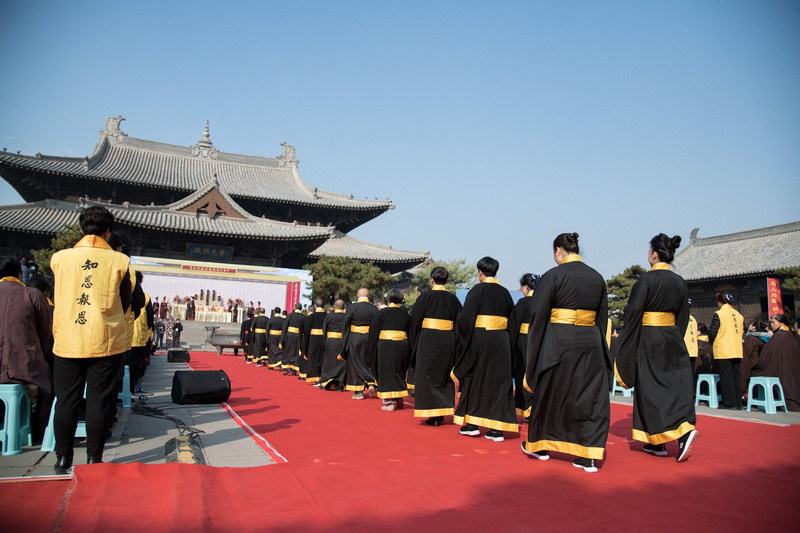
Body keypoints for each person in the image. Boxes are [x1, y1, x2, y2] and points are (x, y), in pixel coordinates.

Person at [50, 205, 132, 473]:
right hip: (104, 340)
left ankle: (63, 458)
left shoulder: (60, 258)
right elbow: (126, 301)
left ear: (82, 229)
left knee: (66, 400)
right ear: (108, 232)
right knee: (99, 400)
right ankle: (94, 459)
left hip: (68, 339)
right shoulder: (120, 261)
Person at [522, 233, 610, 473]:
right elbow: (603, 317)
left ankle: (539, 445)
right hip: (591, 341)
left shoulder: (553, 276)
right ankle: (588, 454)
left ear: (559, 250)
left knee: (550, 393)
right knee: (587, 397)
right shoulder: (596, 277)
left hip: (559, 342)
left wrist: (534, 354)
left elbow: (538, 316)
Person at [614, 234, 698, 462]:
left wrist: (626, 342)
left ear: (654, 254)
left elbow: (633, 313)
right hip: (672, 337)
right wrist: (675, 337)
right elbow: (683, 315)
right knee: (673, 385)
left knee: (652, 388)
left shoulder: (646, 280)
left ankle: (683, 434)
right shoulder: (679, 281)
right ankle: (657, 442)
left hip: (650, 337)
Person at [452, 256, 517, 442]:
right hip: (502, 340)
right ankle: (497, 429)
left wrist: (463, 339)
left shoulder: (477, 290)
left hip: (481, 339)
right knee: (499, 382)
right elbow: (513, 320)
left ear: (480, 272)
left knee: (476, 379)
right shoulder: (505, 293)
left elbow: (465, 320)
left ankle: (472, 425)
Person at [0, 255, 53, 439]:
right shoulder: (33, 294)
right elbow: (44, 332)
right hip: (25, 367)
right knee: (47, 387)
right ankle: (37, 432)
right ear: (18, 273)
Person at [408, 266, 462, 427]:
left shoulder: (424, 298)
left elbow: (414, 321)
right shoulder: (453, 299)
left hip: (428, 339)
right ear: (446, 281)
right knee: (444, 374)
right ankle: (443, 411)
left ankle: (432, 414)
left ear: (432, 280)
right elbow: (460, 323)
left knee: (426, 374)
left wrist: (414, 343)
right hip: (448, 340)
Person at [368, 289, 411, 412]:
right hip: (403, 345)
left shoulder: (382, 313)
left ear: (389, 299)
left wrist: (371, 349)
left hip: (386, 345)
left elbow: (373, 333)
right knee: (400, 371)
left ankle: (390, 402)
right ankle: (399, 398)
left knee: (387, 372)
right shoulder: (405, 314)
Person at [750, 314, 800, 411]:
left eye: (773, 322)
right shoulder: (789, 335)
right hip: (791, 369)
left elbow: (766, 356)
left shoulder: (778, 336)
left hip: (779, 368)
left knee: (755, 372)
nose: (771, 325)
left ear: (782, 323)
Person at [509, 273, 539, 421]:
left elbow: (514, 325)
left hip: (524, 342)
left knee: (523, 374)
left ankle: (526, 408)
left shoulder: (523, 303)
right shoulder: (544, 302)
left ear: (526, 287)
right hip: (540, 342)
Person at [708, 293, 744, 409]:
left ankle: (729, 403)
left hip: (724, 348)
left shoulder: (719, 314)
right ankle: (738, 402)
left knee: (726, 377)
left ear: (719, 302)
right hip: (737, 349)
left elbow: (712, 331)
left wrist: (712, 342)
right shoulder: (739, 315)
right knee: (736, 376)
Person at [341, 289, 378, 399]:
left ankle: (358, 392)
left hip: (355, 337)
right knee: (368, 361)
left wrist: (345, 339)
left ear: (358, 295)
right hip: (370, 338)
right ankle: (371, 383)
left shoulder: (352, 307)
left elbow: (345, 323)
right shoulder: (374, 308)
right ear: (368, 295)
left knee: (355, 362)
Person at [320, 299, 347, 390]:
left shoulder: (329, 316)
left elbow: (324, 329)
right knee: (341, 362)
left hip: (331, 341)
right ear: (344, 308)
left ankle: (327, 382)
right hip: (342, 341)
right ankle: (340, 384)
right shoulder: (346, 316)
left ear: (334, 307)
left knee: (329, 361)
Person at [303, 300, 327, 385]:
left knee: (314, 358)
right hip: (325, 339)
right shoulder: (327, 316)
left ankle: (317, 378)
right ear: (324, 306)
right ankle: (323, 377)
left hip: (313, 339)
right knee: (323, 358)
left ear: (315, 306)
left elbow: (306, 330)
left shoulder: (311, 317)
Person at [281, 303, 306, 377]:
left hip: (290, 335)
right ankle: (294, 370)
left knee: (288, 351)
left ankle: (287, 368)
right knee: (296, 352)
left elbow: (284, 327)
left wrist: (282, 340)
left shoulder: (290, 316)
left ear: (294, 307)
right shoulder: (304, 317)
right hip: (299, 336)